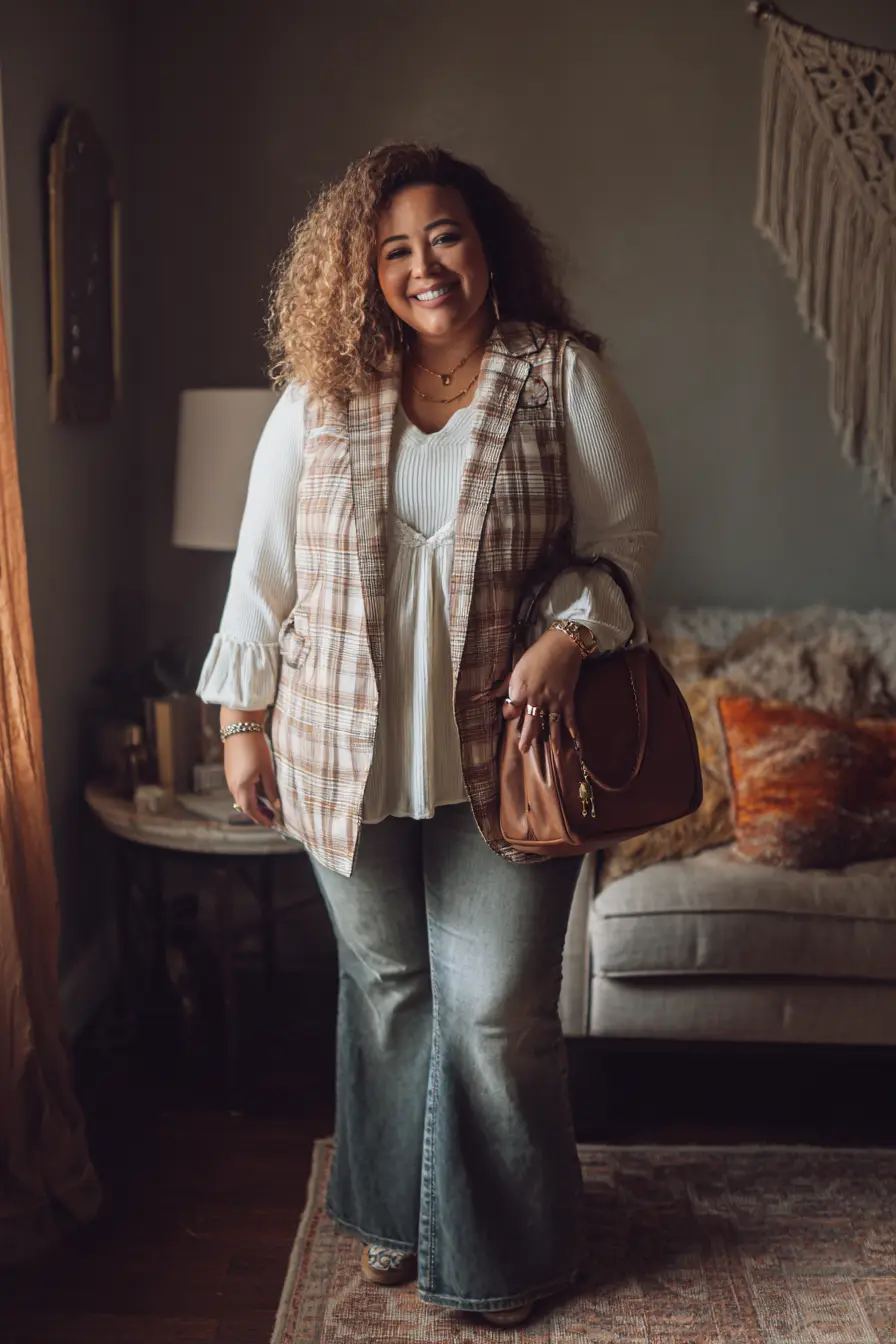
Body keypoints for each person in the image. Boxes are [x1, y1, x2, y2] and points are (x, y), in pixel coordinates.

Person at [198, 142, 659, 1328]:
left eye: (442, 236)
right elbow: (262, 570)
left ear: (485, 244)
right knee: (388, 989)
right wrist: (241, 721)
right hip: (335, 750)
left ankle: (508, 1256)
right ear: (363, 271)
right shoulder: (321, 395)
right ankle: (393, 1217)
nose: (423, 266)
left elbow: (626, 543)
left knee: (495, 1013)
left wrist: (570, 633)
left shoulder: (557, 376)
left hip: (506, 756)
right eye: (394, 249)